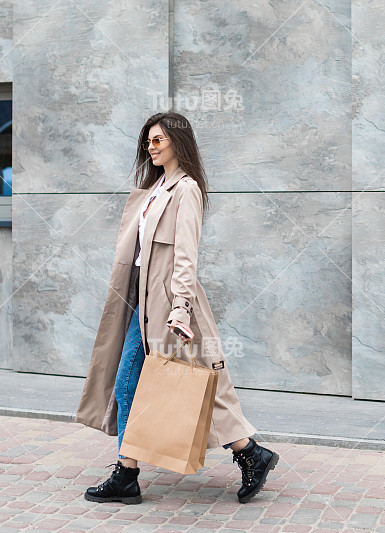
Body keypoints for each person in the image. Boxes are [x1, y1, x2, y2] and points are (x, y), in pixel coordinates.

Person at [75, 112, 279, 504]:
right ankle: (250, 453)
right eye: (147, 141)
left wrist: (181, 308)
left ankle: (127, 474)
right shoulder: (155, 188)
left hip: (170, 303)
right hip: (143, 301)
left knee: (161, 383)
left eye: (158, 141)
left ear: (177, 142)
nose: (150, 147)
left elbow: (186, 256)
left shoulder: (186, 190)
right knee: (195, 385)